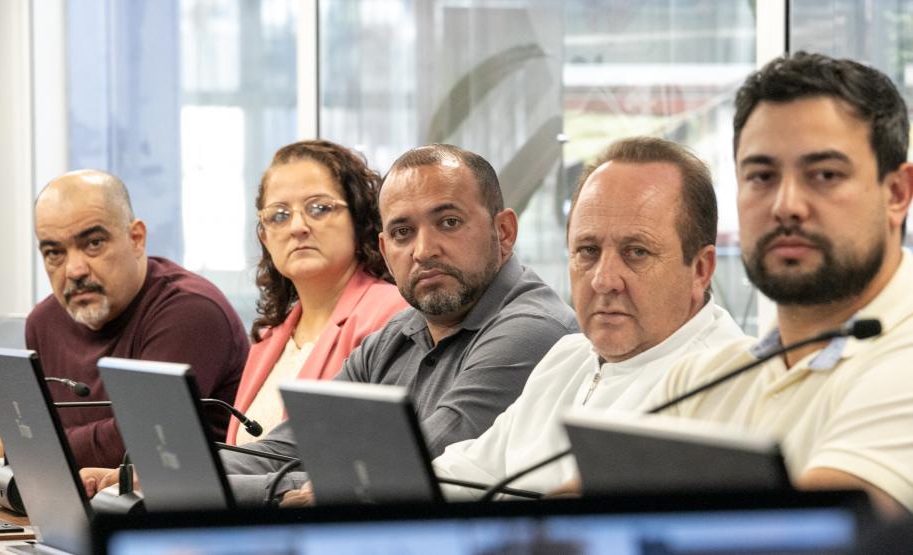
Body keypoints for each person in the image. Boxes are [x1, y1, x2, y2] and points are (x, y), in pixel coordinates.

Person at [225, 144, 579, 507]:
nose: (423, 250)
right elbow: (286, 449)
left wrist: (217, 487)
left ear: (503, 231)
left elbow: (401, 473)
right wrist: (186, 469)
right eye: (402, 233)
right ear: (384, 249)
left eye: (449, 223)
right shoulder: (396, 334)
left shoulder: (532, 330)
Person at [641, 52, 913, 517]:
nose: (787, 206)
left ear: (896, 194)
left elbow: (818, 535)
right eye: (762, 176)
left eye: (824, 175)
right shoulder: (699, 381)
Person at [432, 137, 745, 498]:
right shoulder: (569, 356)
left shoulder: (729, 384)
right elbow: (468, 472)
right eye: (588, 251)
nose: (603, 279)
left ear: (701, 270)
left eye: (636, 252)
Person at [26, 170, 249, 469]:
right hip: (81, 505)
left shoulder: (191, 312)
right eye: (55, 252)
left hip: (177, 510)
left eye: (93, 243)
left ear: (136, 238)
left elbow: (144, 440)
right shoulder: (44, 322)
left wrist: (32, 445)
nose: (74, 270)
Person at [228, 140, 408, 444]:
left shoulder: (392, 314)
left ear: (360, 218)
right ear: (265, 236)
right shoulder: (268, 338)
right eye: (279, 215)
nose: (297, 226)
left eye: (319, 208)